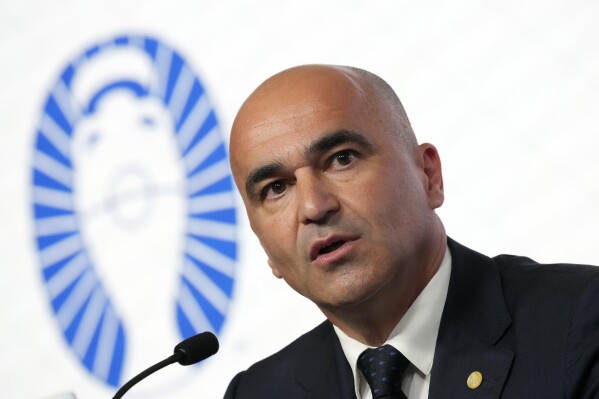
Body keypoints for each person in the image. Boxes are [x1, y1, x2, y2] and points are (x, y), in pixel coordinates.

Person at [223, 65, 599, 398]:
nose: (313, 207)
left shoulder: (580, 322)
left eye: (342, 158)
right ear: (263, 246)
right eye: (275, 188)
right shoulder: (258, 391)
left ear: (428, 175)